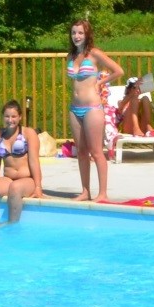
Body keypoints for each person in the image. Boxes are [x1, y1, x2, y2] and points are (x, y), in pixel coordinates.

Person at [65, 18, 124, 203]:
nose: (77, 36)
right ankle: (85, 191)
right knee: (81, 151)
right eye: (74, 32)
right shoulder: (71, 56)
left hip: (92, 108)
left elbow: (118, 71)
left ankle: (103, 193)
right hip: (75, 108)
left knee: (96, 151)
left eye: (80, 32)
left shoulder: (94, 54)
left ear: (87, 34)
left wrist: (100, 82)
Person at [0, 101, 42, 225]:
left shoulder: (28, 133)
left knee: (15, 187)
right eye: (7, 116)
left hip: (27, 180)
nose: (10, 120)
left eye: (13, 116)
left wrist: (38, 187)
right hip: (8, 179)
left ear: (20, 117)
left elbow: (34, 162)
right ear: (3, 117)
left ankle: (12, 226)